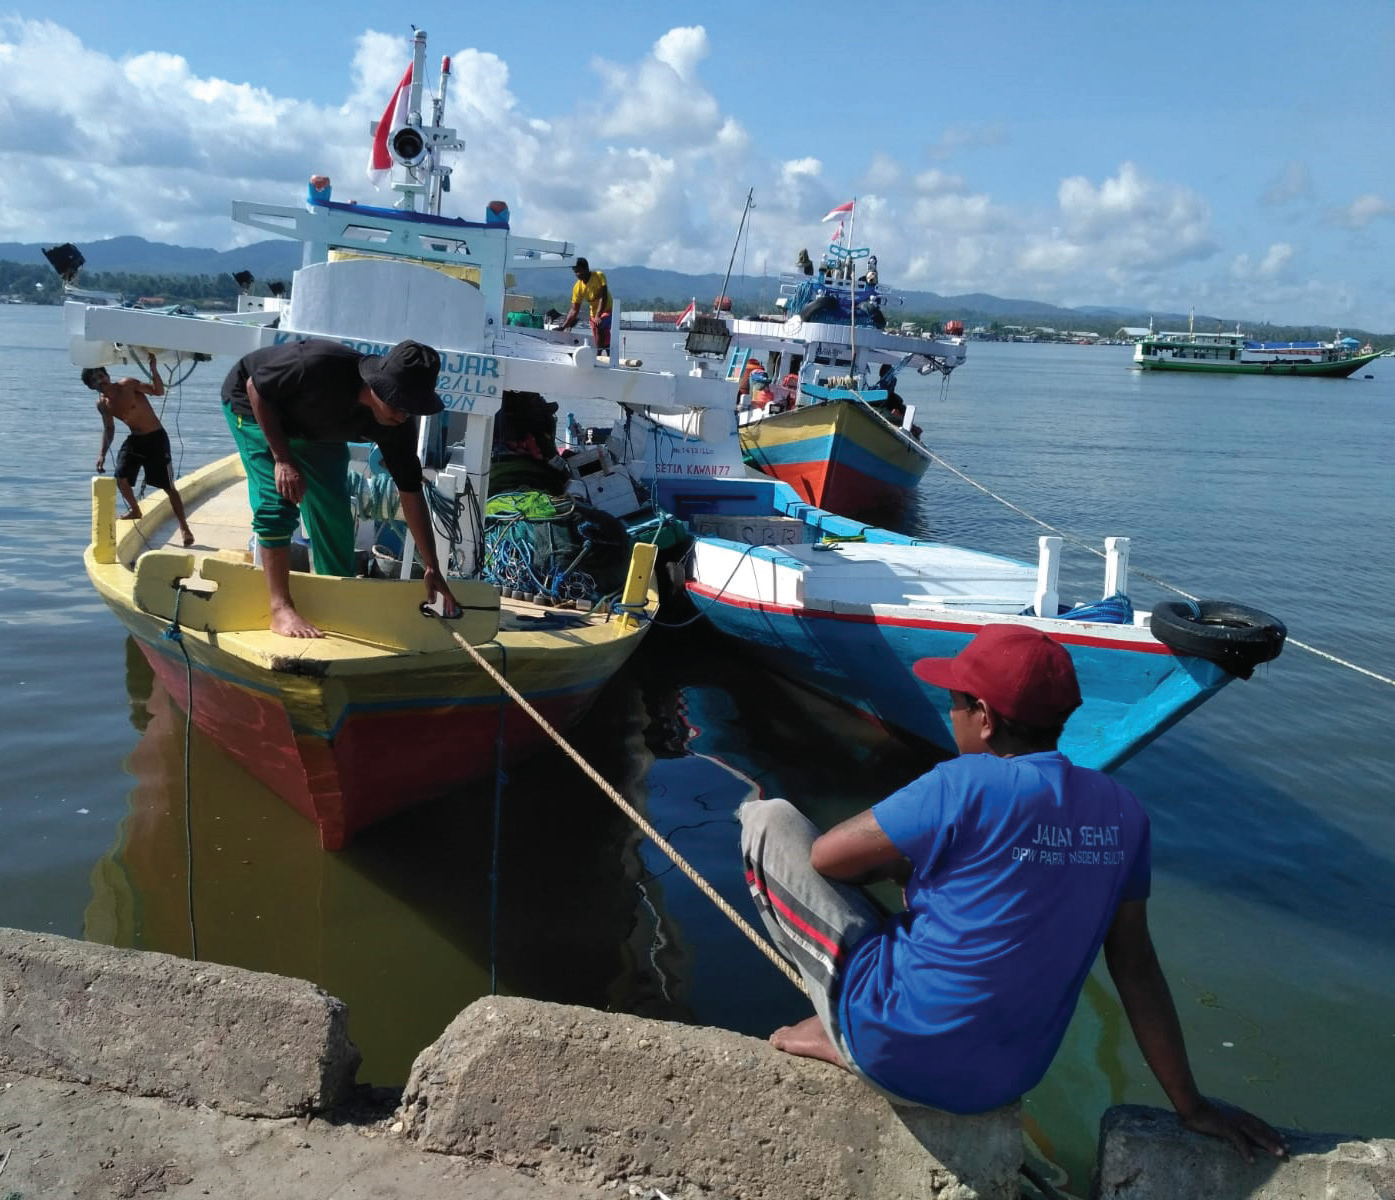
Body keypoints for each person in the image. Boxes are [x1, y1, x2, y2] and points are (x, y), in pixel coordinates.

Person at [738, 624, 1288, 1163]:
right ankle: (872, 1028)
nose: (948, 711)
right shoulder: (1123, 810)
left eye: (953, 700)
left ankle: (849, 1034)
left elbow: (826, 859)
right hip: (1002, 1081)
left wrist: (909, 869)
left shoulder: (962, 781)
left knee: (768, 820)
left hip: (898, 1059)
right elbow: (1136, 967)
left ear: (984, 717)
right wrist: (1189, 1105)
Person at [221, 338, 461, 639]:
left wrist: (431, 565)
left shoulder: (396, 426)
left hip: (316, 431)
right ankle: (280, 608)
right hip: (256, 408)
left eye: (411, 408)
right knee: (277, 503)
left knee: (334, 512)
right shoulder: (319, 364)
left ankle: (336, 597)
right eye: (398, 403)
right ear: (377, 385)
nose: (403, 415)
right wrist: (283, 459)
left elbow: (410, 491)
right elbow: (257, 388)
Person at [83, 353, 195, 547]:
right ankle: (135, 509)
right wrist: (101, 454)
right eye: (94, 380)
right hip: (136, 440)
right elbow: (109, 428)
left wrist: (153, 368)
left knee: (168, 486)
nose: (100, 381)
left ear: (107, 375)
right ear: (91, 387)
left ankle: (184, 527)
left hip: (156, 438)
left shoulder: (128, 385)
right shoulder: (103, 405)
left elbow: (158, 391)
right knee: (120, 477)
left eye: (101, 375)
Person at [559, 257, 613, 356]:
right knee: (599, 336)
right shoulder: (577, 287)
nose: (577, 274)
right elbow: (574, 310)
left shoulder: (598, 276)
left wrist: (598, 316)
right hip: (594, 313)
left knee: (599, 325)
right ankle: (604, 357)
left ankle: (598, 355)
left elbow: (603, 297)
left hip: (606, 309)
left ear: (586, 269)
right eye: (575, 272)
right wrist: (563, 327)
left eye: (579, 271)